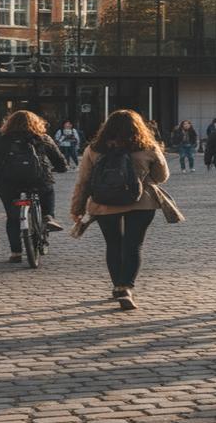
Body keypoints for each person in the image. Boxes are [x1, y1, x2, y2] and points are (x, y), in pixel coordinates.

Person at [70, 109, 170, 311]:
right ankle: (126, 286)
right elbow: (161, 176)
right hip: (141, 203)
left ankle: (117, 285)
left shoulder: (94, 149)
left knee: (113, 244)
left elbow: (83, 182)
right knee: (133, 245)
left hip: (104, 203)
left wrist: (77, 208)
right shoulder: (148, 147)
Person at [0, 110, 68, 263]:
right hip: (38, 180)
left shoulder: (0, 140)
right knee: (48, 191)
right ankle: (48, 216)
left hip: (8, 184)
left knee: (12, 218)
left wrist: (0, 172)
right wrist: (60, 168)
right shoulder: (43, 138)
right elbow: (60, 161)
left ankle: (16, 253)